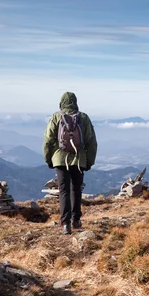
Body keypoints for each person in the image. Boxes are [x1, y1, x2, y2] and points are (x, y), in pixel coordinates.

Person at [43, 92, 98, 235]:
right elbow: (91, 141)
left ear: (61, 103)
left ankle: (65, 224)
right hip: (79, 159)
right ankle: (76, 220)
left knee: (64, 191)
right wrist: (89, 161)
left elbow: (48, 140)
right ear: (75, 102)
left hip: (60, 159)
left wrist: (48, 159)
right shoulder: (84, 118)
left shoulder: (56, 117)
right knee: (76, 189)